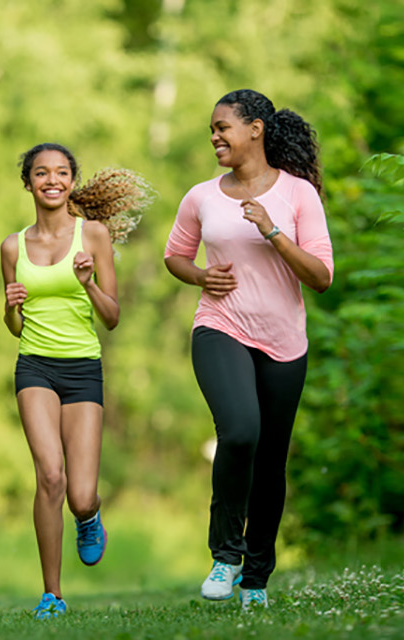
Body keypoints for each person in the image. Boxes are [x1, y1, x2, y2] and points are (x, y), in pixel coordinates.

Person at [161, 89, 333, 611]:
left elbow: (322, 277)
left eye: (223, 127)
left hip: (284, 342)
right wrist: (200, 276)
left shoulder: (299, 195)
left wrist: (273, 232)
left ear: (255, 128)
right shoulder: (201, 196)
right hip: (221, 326)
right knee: (239, 432)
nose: (214, 136)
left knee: (272, 460)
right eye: (211, 129)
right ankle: (225, 554)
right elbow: (175, 257)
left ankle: (255, 579)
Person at [0, 143, 152, 619]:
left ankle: (89, 517)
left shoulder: (95, 236)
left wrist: (87, 283)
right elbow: (15, 327)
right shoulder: (12, 246)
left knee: (79, 493)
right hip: (34, 367)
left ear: (71, 181)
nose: (52, 180)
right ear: (28, 183)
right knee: (49, 476)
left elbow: (112, 318)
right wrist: (11, 306)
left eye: (61, 173)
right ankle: (52, 594)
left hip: (83, 367)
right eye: (41, 173)